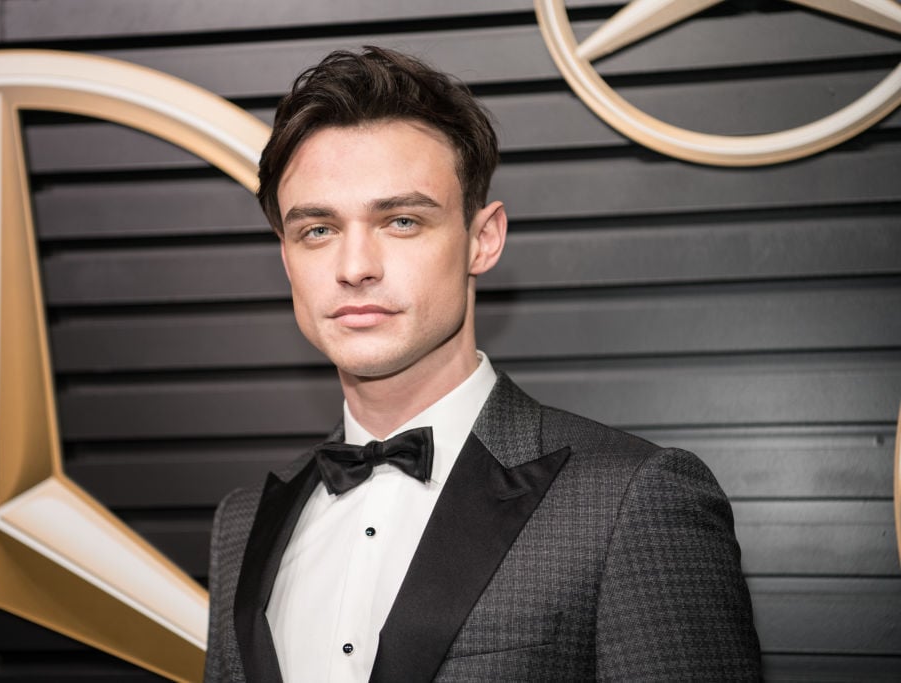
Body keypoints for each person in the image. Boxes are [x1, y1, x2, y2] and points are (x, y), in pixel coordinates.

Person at [204, 46, 762, 682]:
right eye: (318, 230)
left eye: (402, 220)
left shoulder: (632, 500)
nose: (354, 266)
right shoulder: (241, 523)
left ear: (483, 238)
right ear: (286, 257)